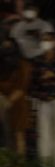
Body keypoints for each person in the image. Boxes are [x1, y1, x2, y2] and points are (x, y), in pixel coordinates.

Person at [29, 29, 55, 167]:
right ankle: (45, 165)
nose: (45, 43)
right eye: (43, 40)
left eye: (48, 40)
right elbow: (32, 83)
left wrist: (54, 75)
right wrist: (37, 96)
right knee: (44, 133)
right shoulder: (37, 61)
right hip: (43, 100)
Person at [0, 26, 31, 155]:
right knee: (7, 137)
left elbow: (22, 87)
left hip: (18, 105)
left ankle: (19, 164)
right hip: (2, 103)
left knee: (19, 135)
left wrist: (8, 102)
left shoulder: (23, 64)